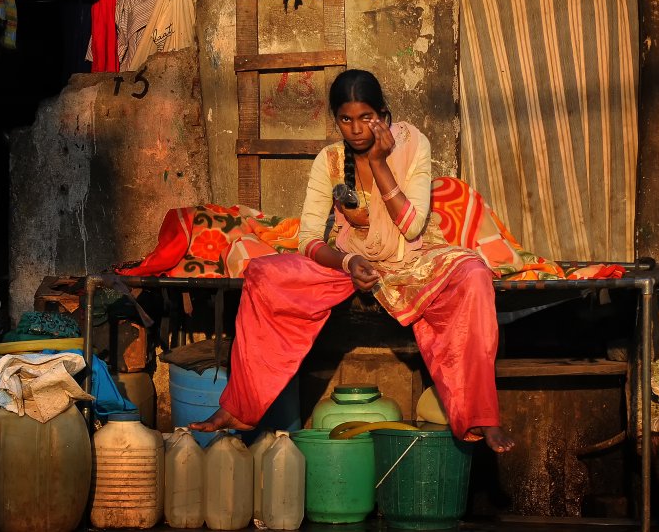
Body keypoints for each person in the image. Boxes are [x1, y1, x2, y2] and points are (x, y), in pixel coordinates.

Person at [191, 69, 515, 452]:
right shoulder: (329, 161)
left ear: (383, 114)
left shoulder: (413, 144)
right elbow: (310, 237)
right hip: (351, 258)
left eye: (367, 118)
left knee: (474, 275)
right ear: (336, 120)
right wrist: (346, 263)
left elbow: (411, 227)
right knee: (263, 273)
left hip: (412, 257)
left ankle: (482, 418)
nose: (357, 129)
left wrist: (379, 162)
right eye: (346, 119)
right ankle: (238, 407)